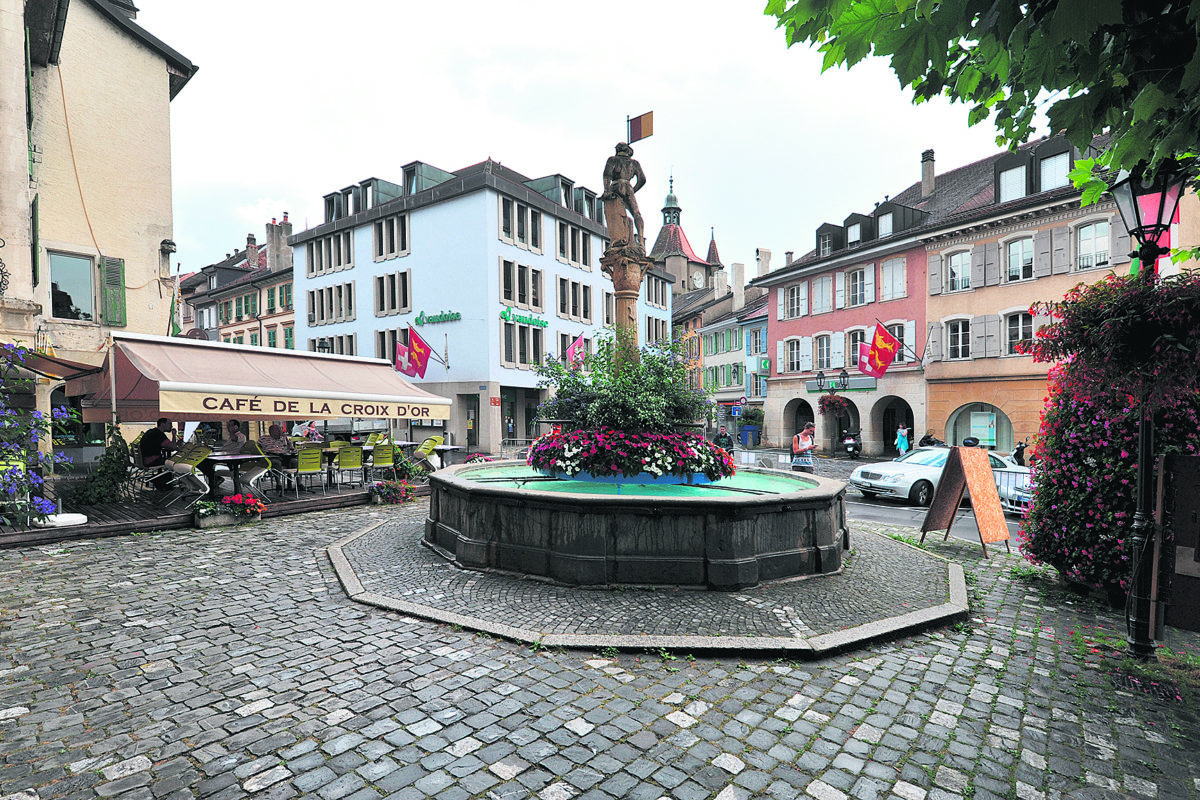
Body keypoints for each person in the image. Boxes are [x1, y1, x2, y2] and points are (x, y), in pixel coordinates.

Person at [199, 419, 247, 495]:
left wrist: (231, 431)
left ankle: (213, 481)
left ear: (236, 427)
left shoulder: (241, 436)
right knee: (201, 462)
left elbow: (235, 439)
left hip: (231, 457)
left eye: (230, 426)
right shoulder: (230, 436)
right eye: (227, 426)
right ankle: (214, 479)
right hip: (222, 455)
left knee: (207, 463)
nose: (228, 427)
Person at [139, 417, 178, 490]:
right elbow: (173, 447)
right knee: (173, 464)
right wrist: (174, 435)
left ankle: (160, 481)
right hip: (152, 460)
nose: (171, 426)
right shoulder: (158, 434)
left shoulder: (151, 432)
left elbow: (166, 445)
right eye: (169, 424)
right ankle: (161, 481)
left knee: (168, 461)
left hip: (146, 459)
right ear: (163, 424)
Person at [259, 423, 295, 492]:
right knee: (276, 463)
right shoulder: (264, 438)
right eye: (278, 430)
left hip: (284, 456)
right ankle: (279, 483)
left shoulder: (283, 438)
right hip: (271, 457)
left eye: (280, 429)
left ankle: (298, 484)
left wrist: (286, 439)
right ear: (271, 431)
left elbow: (290, 448)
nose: (280, 431)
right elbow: (257, 447)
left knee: (294, 461)